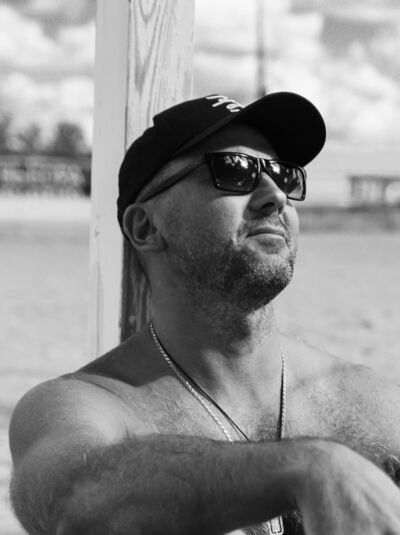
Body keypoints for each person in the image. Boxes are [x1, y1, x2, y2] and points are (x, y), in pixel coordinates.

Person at [9, 92, 400, 535]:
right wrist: (308, 466)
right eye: (234, 170)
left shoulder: (370, 404)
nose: (275, 196)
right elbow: (73, 501)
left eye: (284, 175)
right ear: (145, 226)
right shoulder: (92, 405)